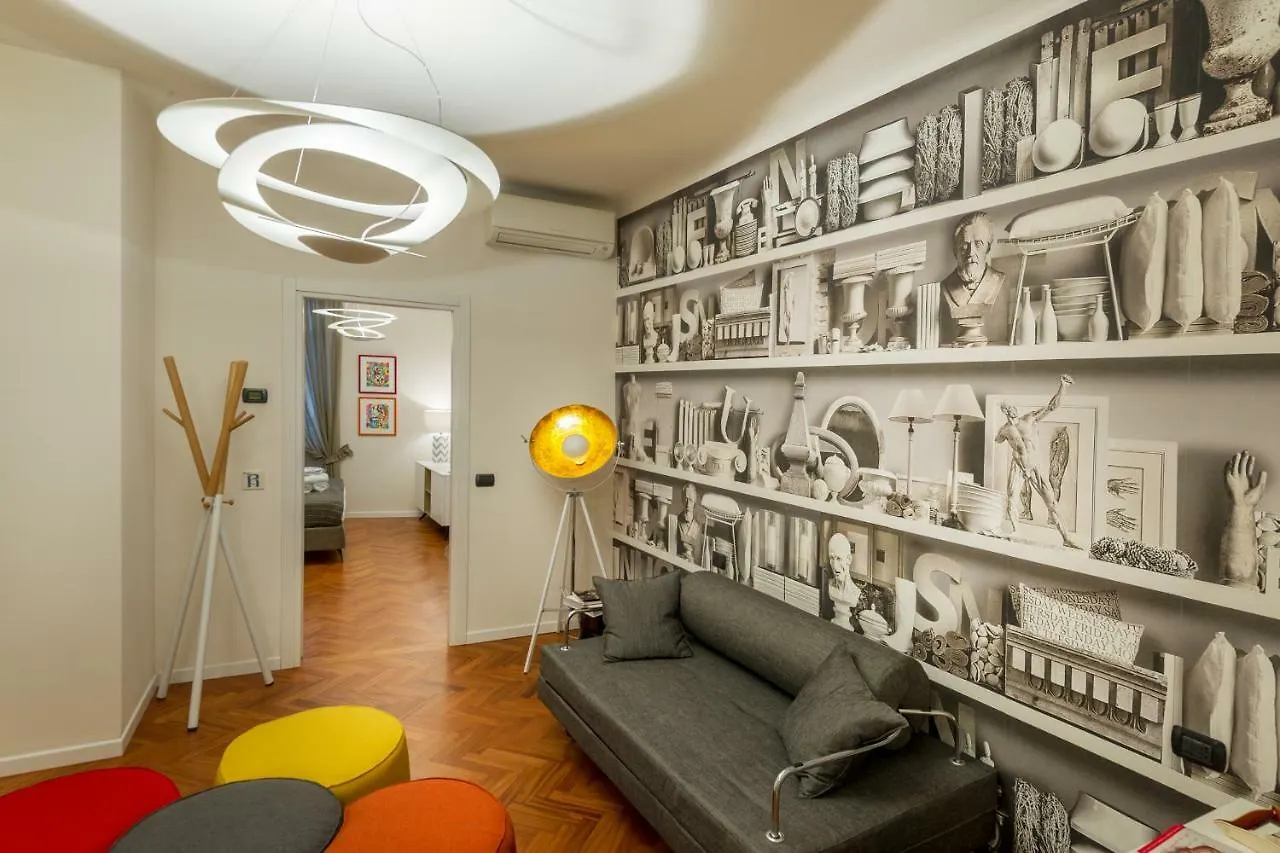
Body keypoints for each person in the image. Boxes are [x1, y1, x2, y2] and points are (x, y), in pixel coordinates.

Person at [994, 375, 1080, 548]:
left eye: (1012, 406)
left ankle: (1066, 538)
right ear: (1004, 411)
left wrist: (1063, 387)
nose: (1011, 410)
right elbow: (997, 440)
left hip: (1034, 466)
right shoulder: (1004, 430)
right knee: (1012, 499)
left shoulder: (1029, 419)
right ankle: (1015, 531)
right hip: (1018, 466)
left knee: (1051, 501)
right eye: (1007, 408)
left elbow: (1051, 407)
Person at [941, 211, 1006, 346]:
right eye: (964, 246)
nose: (971, 252)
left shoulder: (998, 280)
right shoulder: (946, 286)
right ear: (955, 251)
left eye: (978, 244)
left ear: (988, 248)